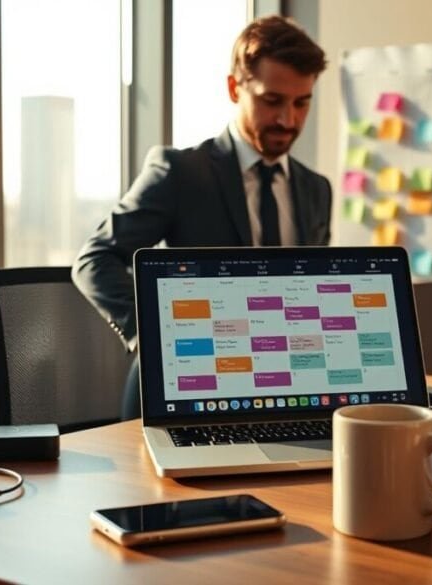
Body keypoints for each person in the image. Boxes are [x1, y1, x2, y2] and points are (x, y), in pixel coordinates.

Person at [72, 16, 331, 420]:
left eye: (302, 103)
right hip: (187, 394)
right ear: (235, 88)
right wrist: (154, 335)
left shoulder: (316, 189)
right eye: (272, 100)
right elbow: (95, 259)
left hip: (287, 394)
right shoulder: (179, 173)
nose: (288, 120)